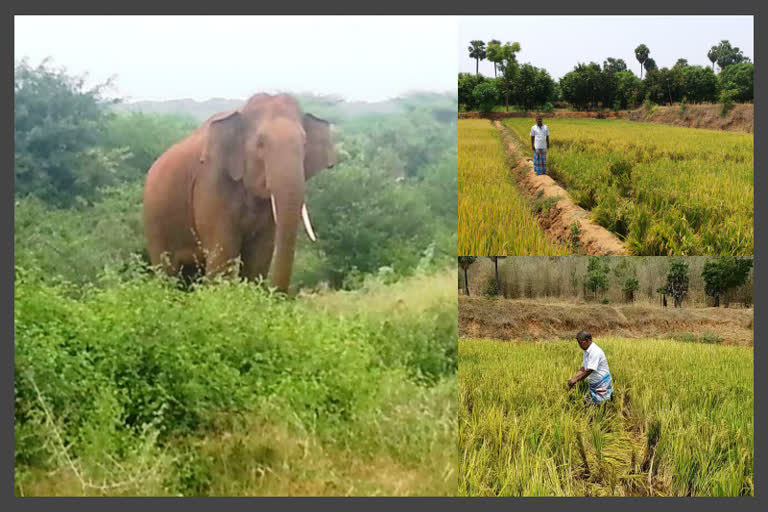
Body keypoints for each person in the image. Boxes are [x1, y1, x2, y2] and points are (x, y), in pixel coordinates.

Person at [567, 331, 613, 403]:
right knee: (591, 403)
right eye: (578, 343)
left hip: (602, 382)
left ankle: (603, 413)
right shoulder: (587, 351)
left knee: (601, 403)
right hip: (594, 382)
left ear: (588, 340)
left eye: (581, 343)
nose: (579, 345)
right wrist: (574, 378)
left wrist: (575, 380)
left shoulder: (595, 351)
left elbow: (589, 370)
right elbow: (583, 368)